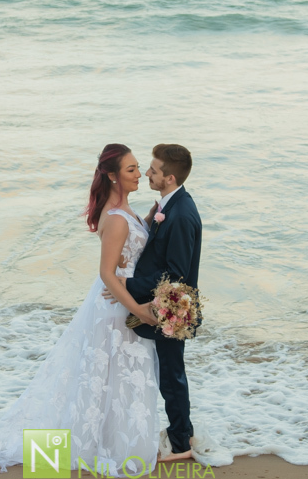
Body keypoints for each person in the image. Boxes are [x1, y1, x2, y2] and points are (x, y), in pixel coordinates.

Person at [0, 144, 161, 477]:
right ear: (113, 176)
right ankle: (88, 451)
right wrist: (139, 311)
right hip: (116, 310)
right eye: (131, 169)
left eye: (139, 168)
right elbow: (106, 273)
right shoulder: (116, 219)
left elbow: (128, 263)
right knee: (103, 380)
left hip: (120, 302)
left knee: (110, 382)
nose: (139, 174)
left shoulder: (128, 213)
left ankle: (108, 445)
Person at [106, 143, 202, 463]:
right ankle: (180, 433)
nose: (147, 173)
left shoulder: (182, 215)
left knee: (171, 377)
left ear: (170, 178)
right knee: (169, 374)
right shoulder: (169, 206)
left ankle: (180, 443)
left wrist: (127, 284)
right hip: (164, 304)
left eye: (153, 170)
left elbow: (175, 274)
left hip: (172, 309)